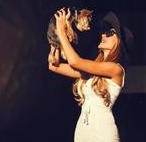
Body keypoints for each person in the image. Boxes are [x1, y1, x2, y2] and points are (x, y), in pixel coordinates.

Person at [47, 8, 134, 142]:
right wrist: (57, 40)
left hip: (102, 132)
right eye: (104, 32)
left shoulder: (116, 70)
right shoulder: (91, 70)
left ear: (119, 44)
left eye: (110, 33)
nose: (103, 35)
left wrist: (60, 29)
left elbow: (75, 61)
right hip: (83, 131)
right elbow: (53, 66)